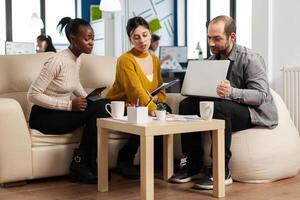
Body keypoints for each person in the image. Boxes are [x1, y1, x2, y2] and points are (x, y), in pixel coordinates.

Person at [170, 15, 278, 189]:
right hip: (227, 107)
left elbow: (261, 96)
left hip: (254, 112)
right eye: (209, 38)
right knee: (186, 104)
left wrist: (231, 92)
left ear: (232, 37)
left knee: (219, 107)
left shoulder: (250, 58)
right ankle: (193, 164)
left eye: (217, 38)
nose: (211, 43)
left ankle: (221, 171)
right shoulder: (212, 60)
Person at [28, 17, 110, 184]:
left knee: (102, 105)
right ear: (73, 38)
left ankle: (85, 163)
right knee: (100, 107)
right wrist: (68, 105)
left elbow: (73, 82)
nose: (91, 42)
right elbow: (32, 94)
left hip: (61, 114)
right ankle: (82, 164)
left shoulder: (77, 59)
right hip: (44, 117)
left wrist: (89, 98)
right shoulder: (57, 60)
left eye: (92, 38)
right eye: (87, 38)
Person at [106, 16, 171, 179]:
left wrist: (159, 102)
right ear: (130, 39)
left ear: (150, 34)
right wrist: (153, 109)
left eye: (145, 35)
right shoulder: (125, 60)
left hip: (144, 102)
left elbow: (160, 88)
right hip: (124, 104)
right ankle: (124, 160)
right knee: (143, 113)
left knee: (166, 109)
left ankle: (158, 160)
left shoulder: (155, 60)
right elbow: (135, 90)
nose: (142, 40)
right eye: (136, 37)